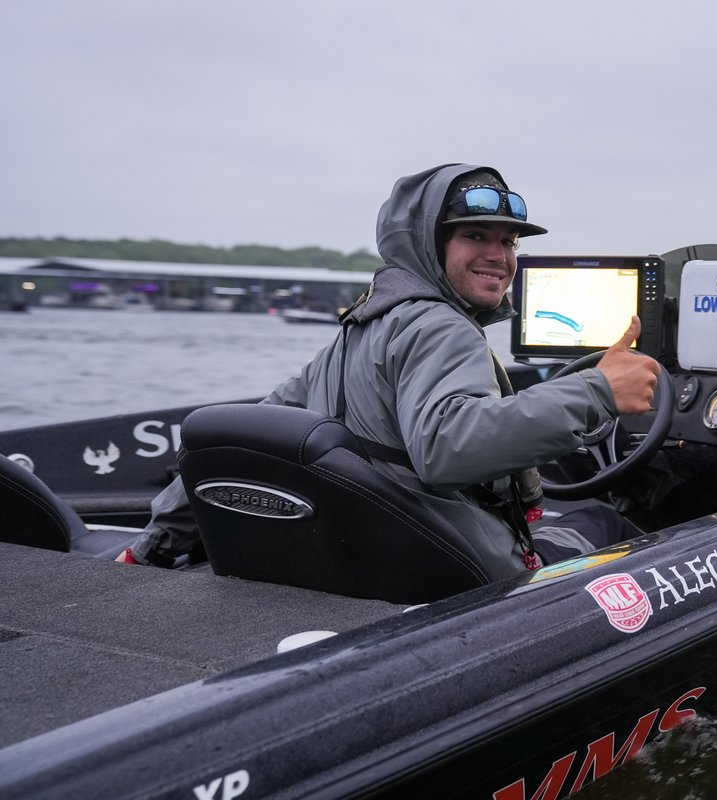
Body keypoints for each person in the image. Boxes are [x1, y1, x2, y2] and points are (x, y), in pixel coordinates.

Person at [117, 163, 660, 580]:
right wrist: (598, 390)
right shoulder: (444, 328)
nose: (499, 255)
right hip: (451, 562)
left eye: (508, 241)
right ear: (428, 242)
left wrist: (152, 546)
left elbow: (234, 442)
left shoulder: (360, 331)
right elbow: (450, 447)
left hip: (370, 551)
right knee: (602, 522)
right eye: (476, 236)